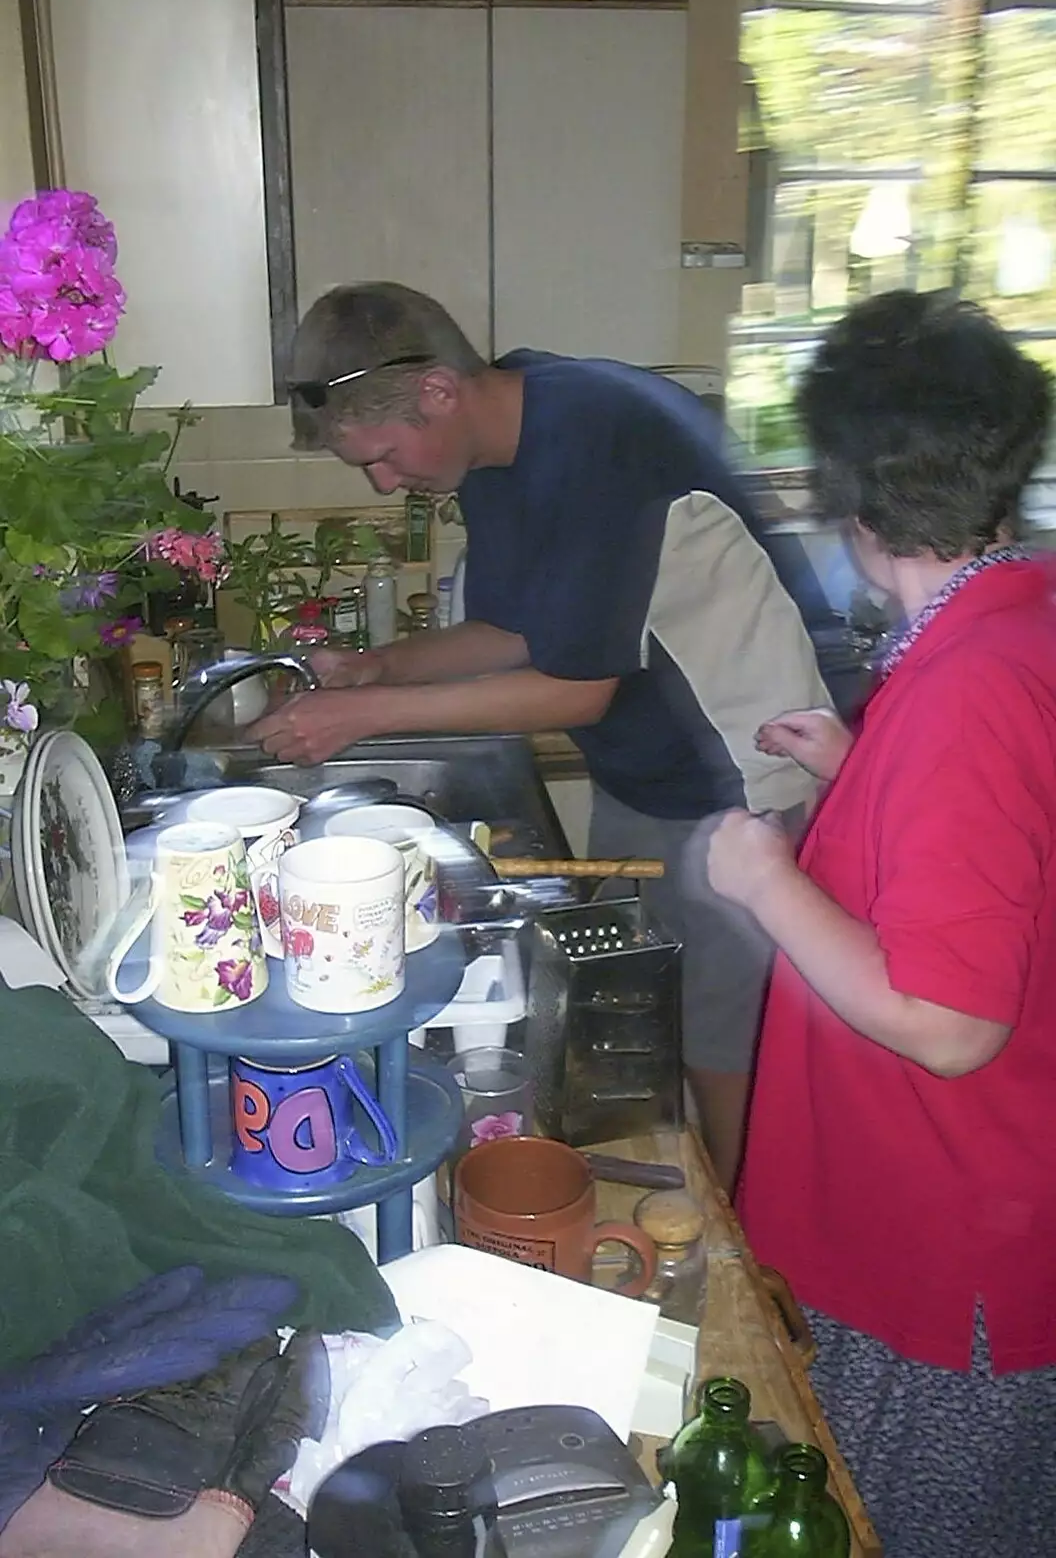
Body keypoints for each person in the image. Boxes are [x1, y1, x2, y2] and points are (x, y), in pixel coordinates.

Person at [249, 282, 830, 1190]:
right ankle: (699, 1204)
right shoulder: (495, 451)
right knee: (653, 1022)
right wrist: (382, 670)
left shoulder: (600, 438)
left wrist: (359, 716)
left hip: (743, 778)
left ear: (439, 392)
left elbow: (577, 687)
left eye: (386, 457)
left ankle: (750, 1256)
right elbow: (524, 631)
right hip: (646, 773)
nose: (385, 482)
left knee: (723, 1043)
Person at [704, 289, 1056, 1556]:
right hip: (974, 1210)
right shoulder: (1016, 612)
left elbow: (951, 1020)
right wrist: (868, 766)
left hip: (940, 1251)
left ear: (847, 495)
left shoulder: (967, 687)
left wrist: (762, 876)